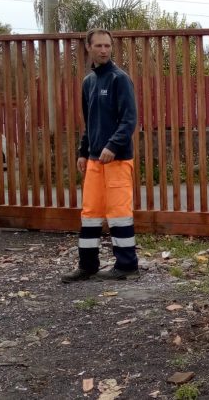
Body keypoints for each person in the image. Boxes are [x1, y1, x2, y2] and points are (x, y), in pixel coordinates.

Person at [62, 28, 139, 283]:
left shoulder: (120, 79)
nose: (104, 50)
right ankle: (87, 265)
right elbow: (89, 122)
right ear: (89, 47)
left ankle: (127, 265)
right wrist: (84, 151)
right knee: (91, 213)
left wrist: (112, 146)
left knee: (119, 213)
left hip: (117, 159)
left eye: (107, 46)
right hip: (94, 160)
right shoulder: (89, 82)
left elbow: (129, 120)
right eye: (99, 46)